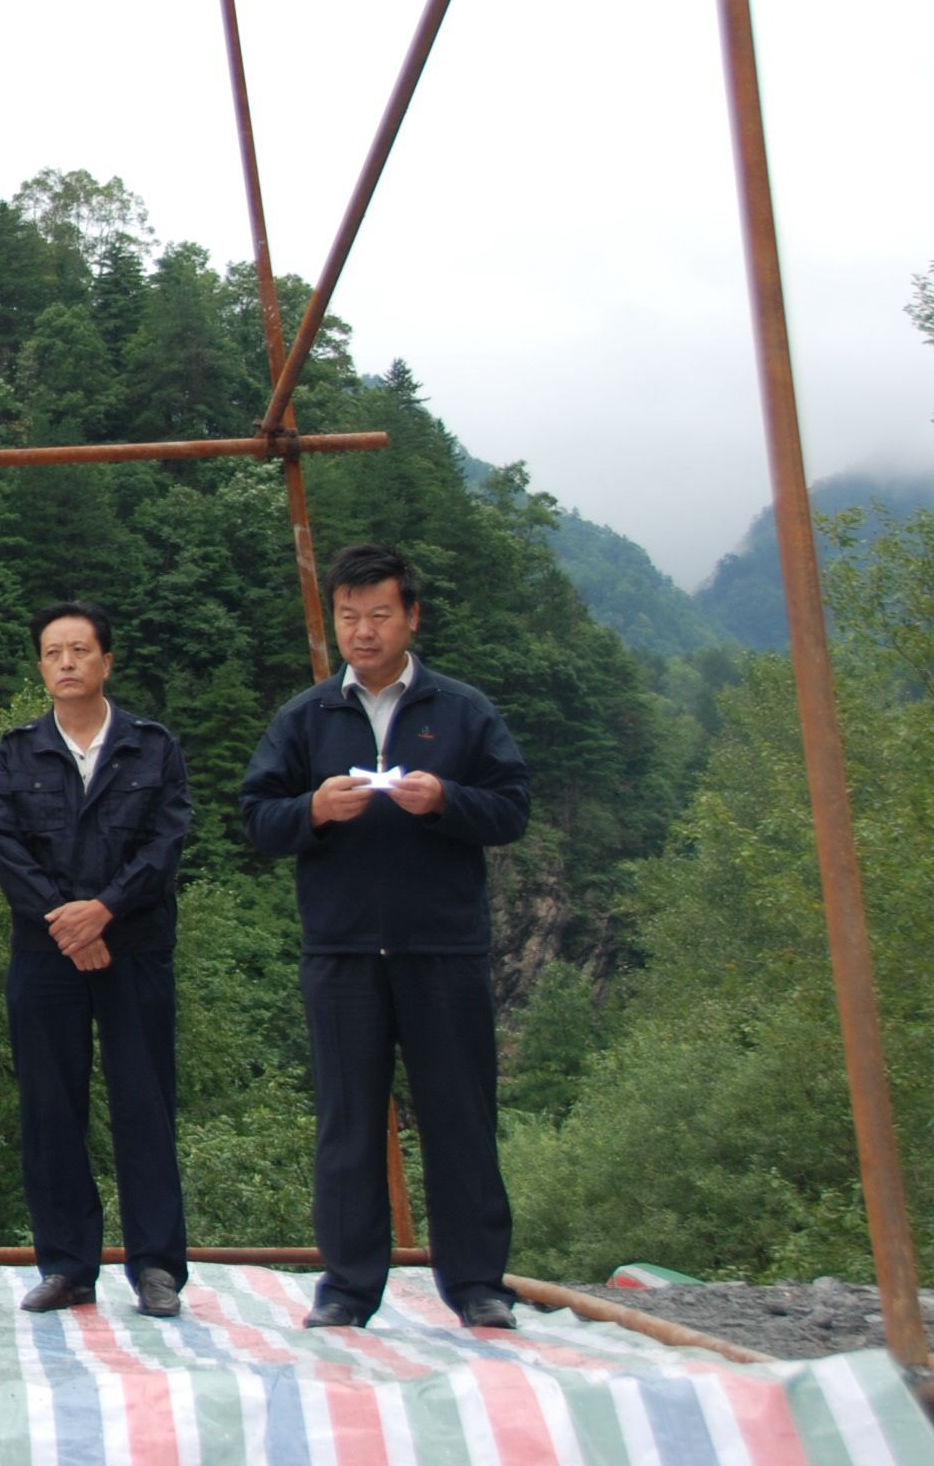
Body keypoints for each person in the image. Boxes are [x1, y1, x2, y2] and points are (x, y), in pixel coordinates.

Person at [242, 542, 532, 1331]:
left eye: (378, 615)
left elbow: (512, 807)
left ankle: (477, 1284)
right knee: (348, 1122)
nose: (362, 631)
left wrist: (446, 800)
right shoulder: (308, 716)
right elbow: (257, 818)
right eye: (349, 616)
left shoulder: (461, 710)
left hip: (443, 949)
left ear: (411, 618)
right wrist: (312, 811)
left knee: (459, 1118)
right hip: (341, 951)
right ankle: (347, 1285)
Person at [0, 601, 193, 1320]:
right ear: (41, 667)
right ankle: (67, 1265)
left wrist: (103, 910)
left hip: (135, 947)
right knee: (50, 1108)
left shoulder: (152, 746)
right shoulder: (17, 750)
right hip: (45, 954)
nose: (66, 662)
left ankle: (156, 1266)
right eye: (53, 652)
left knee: (144, 1103)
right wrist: (67, 921)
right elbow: (2, 842)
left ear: (107, 660)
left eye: (79, 650)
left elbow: (166, 842)